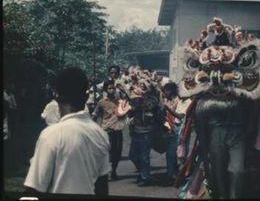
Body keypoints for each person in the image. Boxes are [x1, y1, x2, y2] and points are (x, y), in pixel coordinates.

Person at [24, 67, 110, 196]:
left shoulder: (51, 135)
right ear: (87, 96)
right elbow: (102, 187)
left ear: (55, 95)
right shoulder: (100, 134)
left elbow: (34, 190)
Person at [127, 79, 166, 187]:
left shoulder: (152, 99)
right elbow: (130, 111)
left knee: (144, 155)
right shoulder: (134, 98)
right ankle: (143, 172)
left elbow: (149, 108)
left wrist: (137, 103)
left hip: (148, 131)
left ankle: (145, 177)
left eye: (144, 86)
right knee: (132, 155)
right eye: (140, 85)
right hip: (136, 130)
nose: (141, 87)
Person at [92, 79, 127, 181]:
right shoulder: (101, 102)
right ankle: (104, 172)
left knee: (117, 151)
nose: (112, 90)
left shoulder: (119, 101)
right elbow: (95, 115)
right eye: (109, 88)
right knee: (107, 152)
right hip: (106, 131)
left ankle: (114, 170)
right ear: (105, 90)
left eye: (113, 88)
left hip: (118, 130)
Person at [162, 82, 192, 185]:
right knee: (171, 153)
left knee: (180, 154)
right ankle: (172, 175)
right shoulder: (180, 101)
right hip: (175, 128)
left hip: (182, 130)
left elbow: (180, 117)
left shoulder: (188, 102)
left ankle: (178, 176)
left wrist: (168, 109)